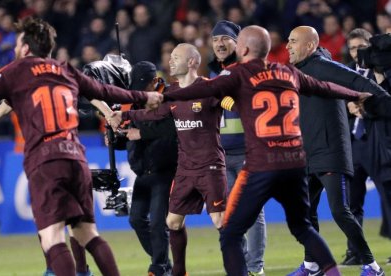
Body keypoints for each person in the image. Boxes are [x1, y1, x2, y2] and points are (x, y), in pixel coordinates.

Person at [133, 25, 372, 276]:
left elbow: (201, 89)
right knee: (302, 227)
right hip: (294, 163)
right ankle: (333, 272)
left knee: (231, 233)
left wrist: (164, 97)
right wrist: (355, 94)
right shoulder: (287, 71)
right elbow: (325, 87)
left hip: (261, 163)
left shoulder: (237, 74)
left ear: (243, 48)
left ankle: (251, 270)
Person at [0, 17, 162, 276]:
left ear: (27, 48)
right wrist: (145, 96)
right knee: (88, 233)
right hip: (76, 157)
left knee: (53, 236)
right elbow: (104, 91)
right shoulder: (66, 70)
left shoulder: (15, 72)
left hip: (45, 160)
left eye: (19, 44)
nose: (16, 49)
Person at [113, 43, 227, 276]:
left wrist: (235, 102)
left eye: (176, 57)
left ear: (193, 62)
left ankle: (239, 267)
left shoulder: (210, 89)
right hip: (185, 169)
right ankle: (178, 271)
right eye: (171, 57)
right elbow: (151, 114)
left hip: (210, 166)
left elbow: (231, 100)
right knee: (172, 222)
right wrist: (124, 114)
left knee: (220, 221)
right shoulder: (172, 94)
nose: (170, 61)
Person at [285, 26, 385, 276]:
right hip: (307, 154)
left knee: (340, 211)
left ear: (309, 46)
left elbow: (357, 80)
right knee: (304, 213)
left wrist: (384, 99)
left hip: (330, 151)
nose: (287, 46)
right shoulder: (297, 71)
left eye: (293, 41)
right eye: (287, 41)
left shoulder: (321, 66)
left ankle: (372, 265)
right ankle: (312, 264)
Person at [208, 20, 266, 276]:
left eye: (225, 39)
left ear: (238, 43)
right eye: (215, 39)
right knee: (232, 214)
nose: (219, 43)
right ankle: (243, 265)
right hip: (222, 154)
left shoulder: (246, 70)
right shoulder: (213, 73)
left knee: (252, 211)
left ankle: (255, 267)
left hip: (247, 152)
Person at [123, 61, 178, 276]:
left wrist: (141, 133)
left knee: (157, 222)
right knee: (136, 219)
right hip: (143, 171)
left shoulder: (169, 99)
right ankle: (164, 263)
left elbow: (172, 129)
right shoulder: (136, 102)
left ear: (155, 81)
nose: (139, 91)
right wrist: (117, 139)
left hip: (165, 170)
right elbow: (131, 136)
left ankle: (158, 267)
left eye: (142, 86)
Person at [342, 27, 373, 266]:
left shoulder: (382, 71)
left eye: (361, 47)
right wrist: (348, 107)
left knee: (388, 199)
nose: (356, 52)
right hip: (354, 144)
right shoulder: (344, 74)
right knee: (353, 202)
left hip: (379, 143)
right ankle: (355, 251)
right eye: (352, 48)